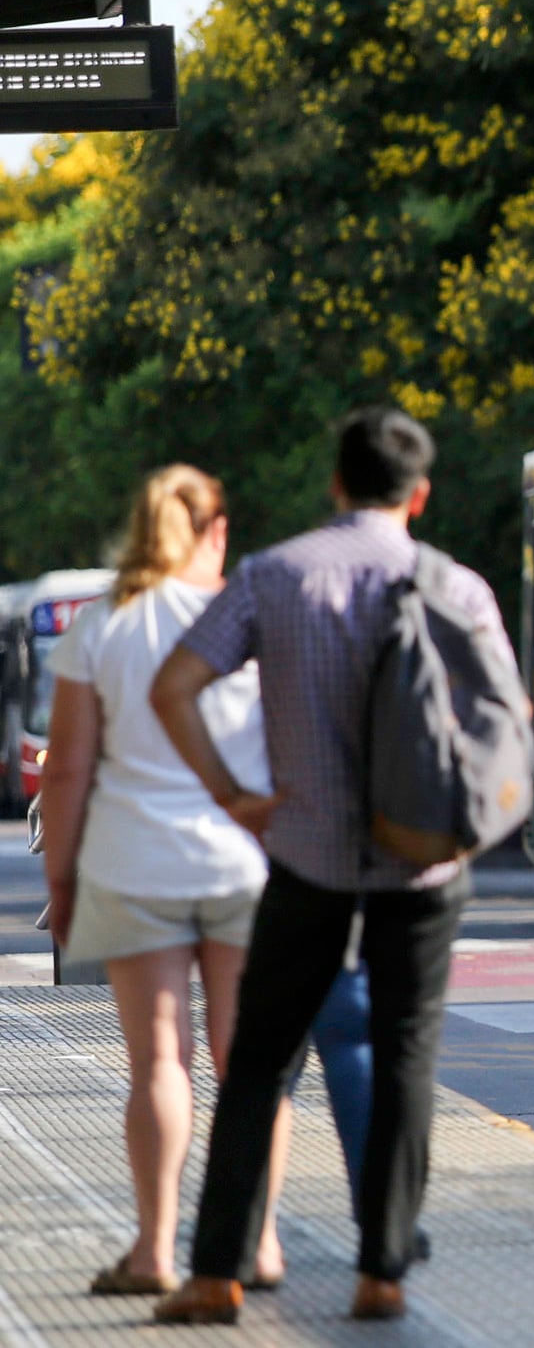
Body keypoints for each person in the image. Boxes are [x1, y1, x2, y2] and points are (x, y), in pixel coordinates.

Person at [150, 409, 514, 1326]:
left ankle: (214, 1275)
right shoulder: (457, 586)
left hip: (304, 858)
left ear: (335, 484)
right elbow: (504, 718)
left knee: (260, 1062)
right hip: (423, 865)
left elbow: (174, 686)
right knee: (404, 1056)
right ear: (419, 494)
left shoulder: (273, 576)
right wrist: (468, 823)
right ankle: (382, 1269)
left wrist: (234, 795)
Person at [38, 466, 290, 1298]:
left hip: (131, 863)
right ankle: (257, 1242)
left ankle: (153, 1249)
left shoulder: (101, 627)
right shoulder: (244, 618)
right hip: (241, 863)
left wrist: (63, 880)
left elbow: (68, 769)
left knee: (158, 1061)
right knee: (245, 1061)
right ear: (215, 531)